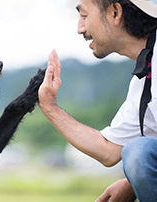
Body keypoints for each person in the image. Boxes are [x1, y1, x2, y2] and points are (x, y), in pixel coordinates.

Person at [38, 0, 157, 201]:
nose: (79, 28)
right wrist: (50, 106)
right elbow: (109, 150)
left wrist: (130, 184)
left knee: (139, 152)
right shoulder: (144, 79)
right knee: (138, 153)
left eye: (84, 16)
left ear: (115, 12)